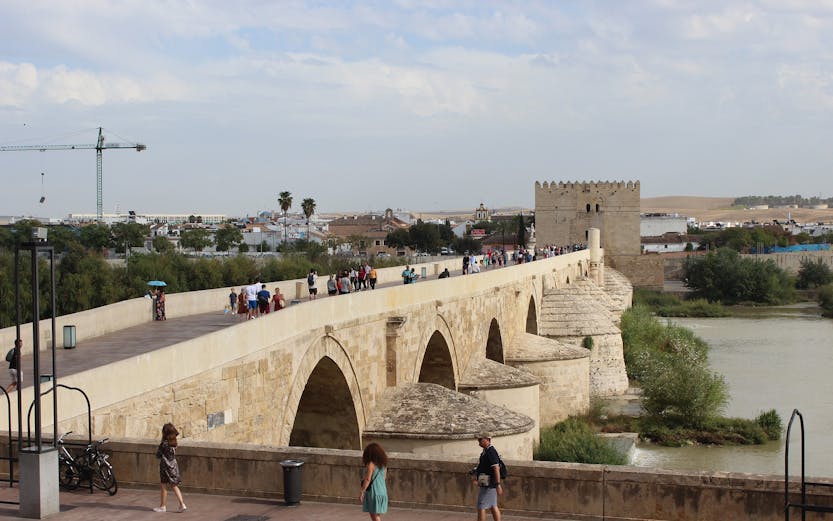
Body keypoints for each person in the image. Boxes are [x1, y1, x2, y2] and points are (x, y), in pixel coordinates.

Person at [154, 423, 187, 513]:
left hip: (165, 466)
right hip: (173, 465)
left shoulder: (164, 444)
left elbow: (158, 455)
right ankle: (182, 504)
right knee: (174, 485)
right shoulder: (174, 443)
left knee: (164, 485)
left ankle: (163, 506)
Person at [472, 433, 502, 521]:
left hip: (489, 483)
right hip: (486, 482)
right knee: (493, 505)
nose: (479, 442)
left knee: (481, 506)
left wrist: (498, 484)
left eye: (480, 440)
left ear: (487, 439)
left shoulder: (491, 452)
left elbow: (496, 468)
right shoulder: (486, 451)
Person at [360, 442, 388, 521]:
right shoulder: (384, 465)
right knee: (376, 515)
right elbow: (384, 478)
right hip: (382, 491)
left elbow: (368, 479)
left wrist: (362, 491)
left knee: (374, 516)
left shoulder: (371, 464)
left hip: (374, 492)